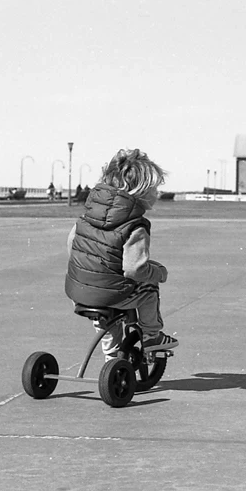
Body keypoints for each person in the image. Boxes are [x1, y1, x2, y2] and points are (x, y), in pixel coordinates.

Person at [65, 148, 178, 362]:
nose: (158, 194)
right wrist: (159, 273)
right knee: (149, 288)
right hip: (112, 295)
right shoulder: (135, 225)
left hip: (80, 292)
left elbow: (73, 244)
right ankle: (152, 336)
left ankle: (112, 357)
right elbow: (135, 269)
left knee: (106, 310)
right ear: (140, 191)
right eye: (154, 189)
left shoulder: (89, 215)